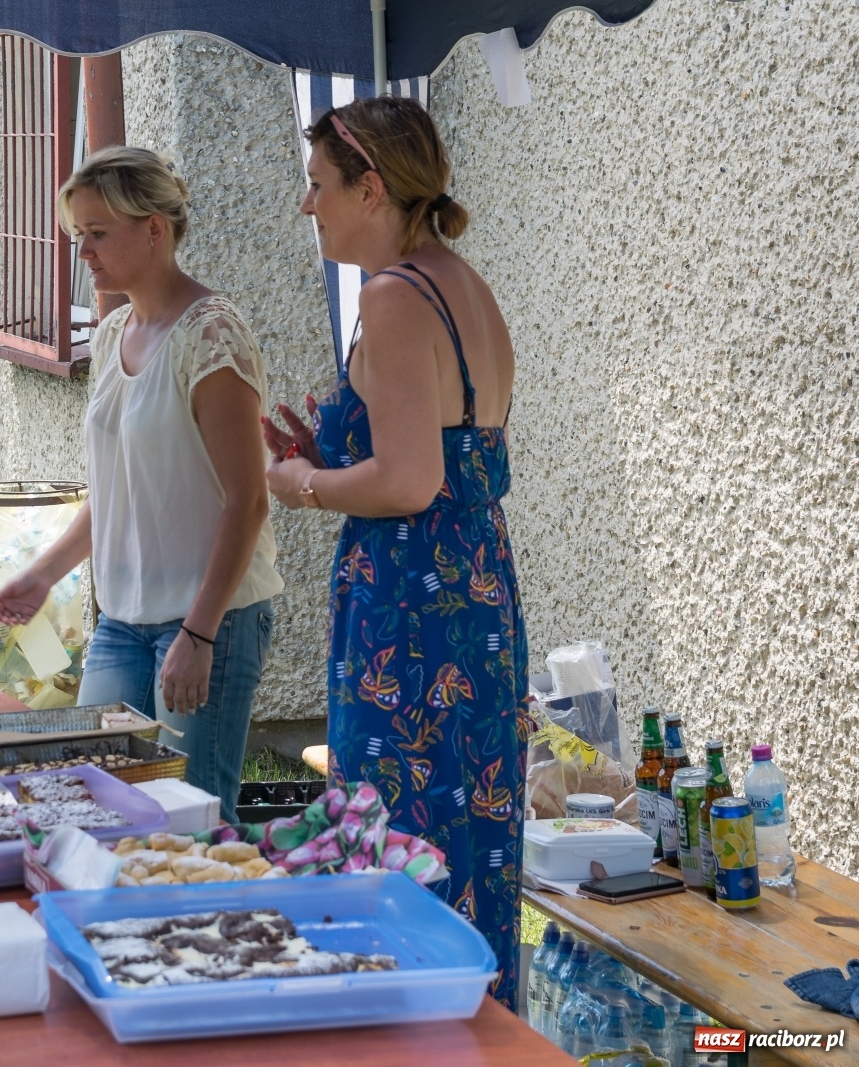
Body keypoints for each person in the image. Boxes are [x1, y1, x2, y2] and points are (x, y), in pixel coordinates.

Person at [262, 96, 527, 1008]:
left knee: (398, 850)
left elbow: (411, 481)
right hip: (473, 594)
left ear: (370, 188)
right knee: (474, 844)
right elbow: (450, 459)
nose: (309, 206)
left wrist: (302, 485)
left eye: (318, 185)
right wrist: (329, 452)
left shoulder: (394, 296)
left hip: (411, 622)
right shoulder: (466, 284)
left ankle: (413, 1035)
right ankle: (483, 1032)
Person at [0, 147, 282, 821]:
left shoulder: (211, 333)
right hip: (122, 622)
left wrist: (200, 634)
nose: (83, 252)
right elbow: (119, 488)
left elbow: (249, 498)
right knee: (100, 803)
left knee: (189, 821)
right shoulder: (116, 326)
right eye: (76, 235)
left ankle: (235, 926)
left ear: (155, 229)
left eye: (97, 233)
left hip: (210, 618)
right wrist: (42, 575)